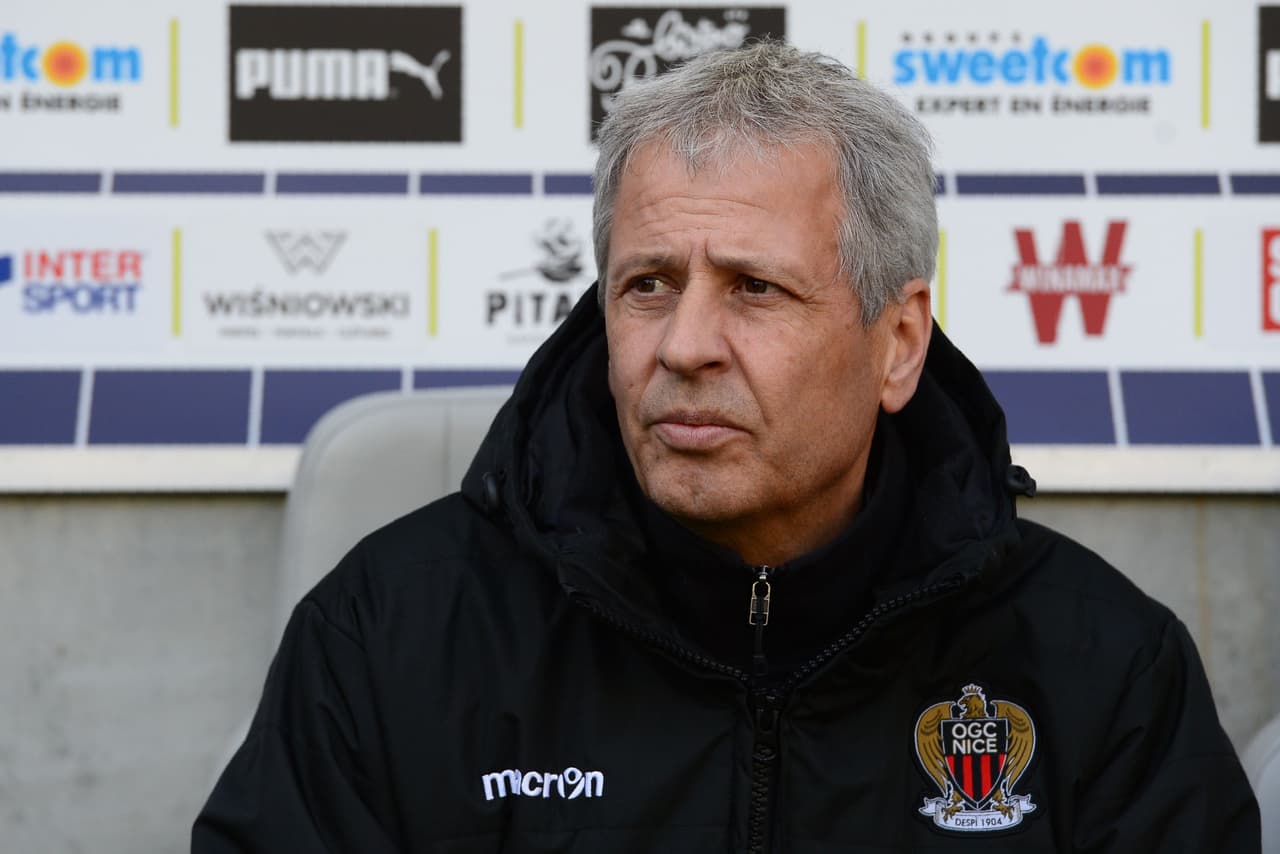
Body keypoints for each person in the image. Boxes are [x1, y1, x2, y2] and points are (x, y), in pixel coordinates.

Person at [193, 41, 1260, 852]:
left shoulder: (1099, 668)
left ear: (895, 343)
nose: (685, 345)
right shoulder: (388, 637)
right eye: (647, 284)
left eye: (754, 288)